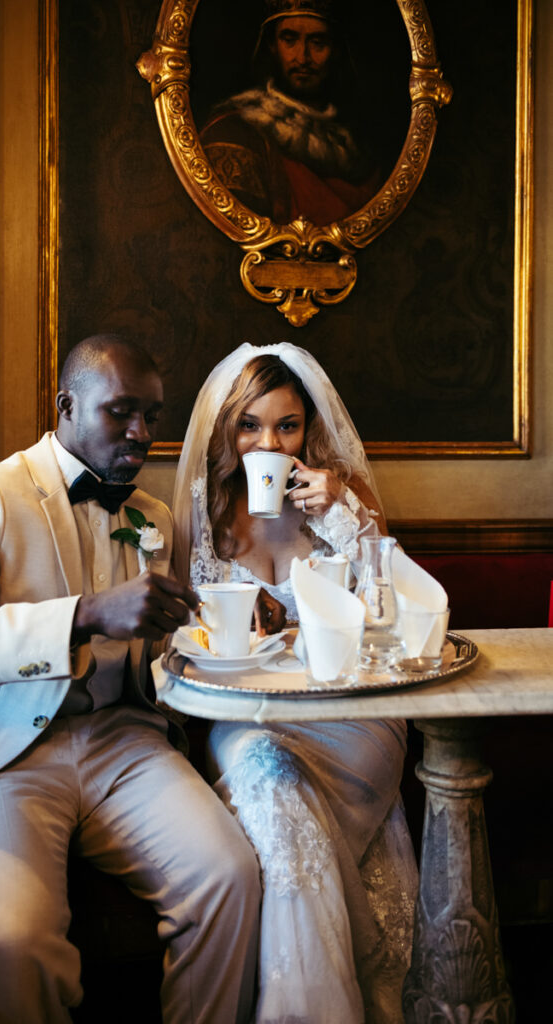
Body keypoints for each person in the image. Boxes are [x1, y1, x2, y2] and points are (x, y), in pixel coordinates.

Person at [0, 334, 261, 1024]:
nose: (141, 433)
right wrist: (84, 615)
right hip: (3, 752)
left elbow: (157, 654)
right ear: (67, 406)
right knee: (16, 942)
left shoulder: (154, 517)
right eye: (121, 412)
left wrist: (224, 635)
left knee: (229, 877)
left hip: (124, 744)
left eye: (152, 415)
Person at [172, 342, 418, 1024]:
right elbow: (185, 626)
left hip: (349, 712)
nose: (268, 442)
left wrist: (339, 514)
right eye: (249, 424)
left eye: (286, 425)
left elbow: (391, 614)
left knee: (286, 786)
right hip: (247, 711)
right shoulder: (204, 507)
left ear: (307, 429)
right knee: (271, 786)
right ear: (227, 429)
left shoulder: (345, 495)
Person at [200, 0, 380, 225]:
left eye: (318, 43)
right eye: (289, 40)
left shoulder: (356, 146)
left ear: (335, 50)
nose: (302, 58)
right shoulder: (233, 131)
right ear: (272, 45)